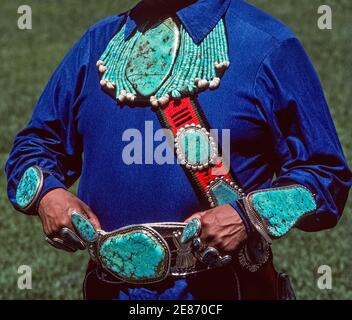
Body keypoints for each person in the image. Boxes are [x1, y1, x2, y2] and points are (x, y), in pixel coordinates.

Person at [5, 0, 351, 300]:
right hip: (107, 288)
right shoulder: (96, 45)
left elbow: (326, 175)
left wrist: (248, 217)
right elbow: (33, 147)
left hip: (226, 289)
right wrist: (48, 195)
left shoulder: (267, 46)